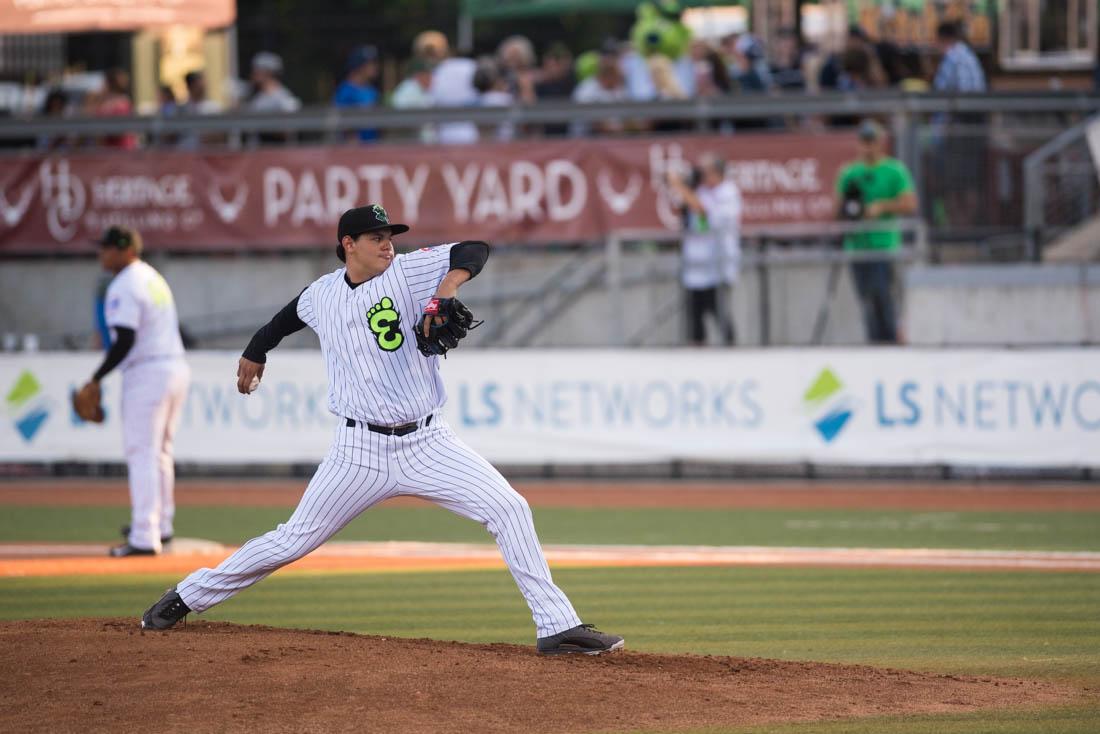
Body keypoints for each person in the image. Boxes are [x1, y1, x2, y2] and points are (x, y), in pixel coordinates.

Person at [139, 205, 625, 657]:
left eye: (389, 235)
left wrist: (448, 288)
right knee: (292, 540)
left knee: (510, 508)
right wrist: (254, 352)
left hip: (428, 442)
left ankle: (557, 626)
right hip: (358, 450)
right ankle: (186, 596)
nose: (387, 243)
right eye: (376, 237)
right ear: (347, 243)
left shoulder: (409, 272)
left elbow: (473, 249)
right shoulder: (322, 294)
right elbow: (279, 323)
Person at [75, 227, 190, 556]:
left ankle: (144, 535)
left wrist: (96, 378)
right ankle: (161, 524)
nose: (101, 254)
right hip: (174, 367)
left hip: (148, 372)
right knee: (161, 453)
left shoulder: (124, 284)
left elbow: (124, 340)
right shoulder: (151, 276)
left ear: (124, 249)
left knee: (142, 453)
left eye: (106, 248)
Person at [834, 120, 918, 344]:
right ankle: (874, 346)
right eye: (864, 141)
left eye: (872, 141)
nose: (867, 147)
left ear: (880, 143)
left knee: (885, 299)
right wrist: (849, 206)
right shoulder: (850, 173)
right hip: (858, 247)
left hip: (884, 247)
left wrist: (881, 207)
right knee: (866, 302)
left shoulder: (894, 170)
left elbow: (910, 204)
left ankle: (890, 342)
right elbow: (838, 211)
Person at [665, 155, 742, 346]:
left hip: (718, 265)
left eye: (706, 171)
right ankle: (696, 353)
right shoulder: (699, 190)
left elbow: (705, 212)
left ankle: (732, 354)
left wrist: (679, 186)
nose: (702, 175)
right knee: (694, 318)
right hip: (695, 265)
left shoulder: (728, 193)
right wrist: (682, 185)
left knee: (720, 313)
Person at [416, 31, 479, 144]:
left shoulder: (467, 66)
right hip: (447, 135)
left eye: (432, 52)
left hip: (464, 131)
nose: (431, 57)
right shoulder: (468, 66)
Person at [333, 45, 381, 142]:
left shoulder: (372, 91)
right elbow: (345, 127)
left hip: (374, 147)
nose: (374, 67)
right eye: (370, 64)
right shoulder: (345, 91)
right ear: (359, 66)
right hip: (355, 151)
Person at [932, 21, 986, 93]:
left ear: (944, 39)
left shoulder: (953, 57)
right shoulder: (966, 52)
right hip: (974, 101)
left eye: (937, 40)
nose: (936, 45)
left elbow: (940, 87)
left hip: (964, 102)